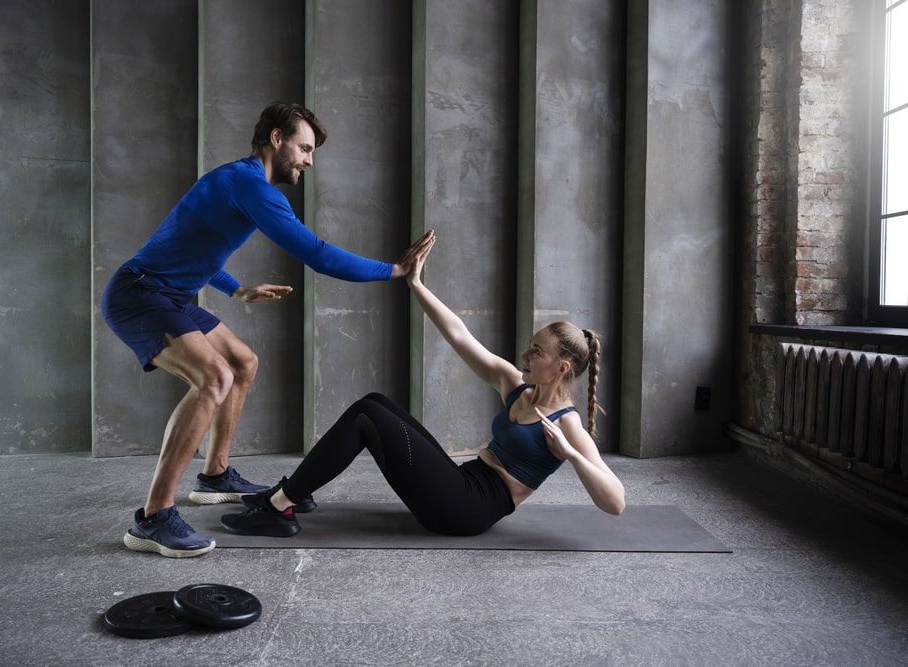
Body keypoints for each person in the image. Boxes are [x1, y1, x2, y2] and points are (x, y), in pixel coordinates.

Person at [101, 102, 436, 558]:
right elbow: (317, 254)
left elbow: (190, 245)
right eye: (304, 147)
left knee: (241, 362)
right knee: (214, 377)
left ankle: (215, 476)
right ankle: (154, 518)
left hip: (167, 294)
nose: (308, 160)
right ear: (276, 139)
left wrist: (236, 288)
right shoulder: (252, 186)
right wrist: (396, 270)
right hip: (140, 294)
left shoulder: (234, 180)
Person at [222, 233, 625, 538]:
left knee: (368, 416)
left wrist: (571, 454)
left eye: (537, 352)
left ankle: (280, 505)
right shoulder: (516, 385)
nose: (526, 355)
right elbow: (461, 336)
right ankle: (298, 490)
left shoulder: (567, 424)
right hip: (463, 482)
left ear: (561, 367)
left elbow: (616, 503)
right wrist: (416, 285)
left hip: (467, 511)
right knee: (375, 401)